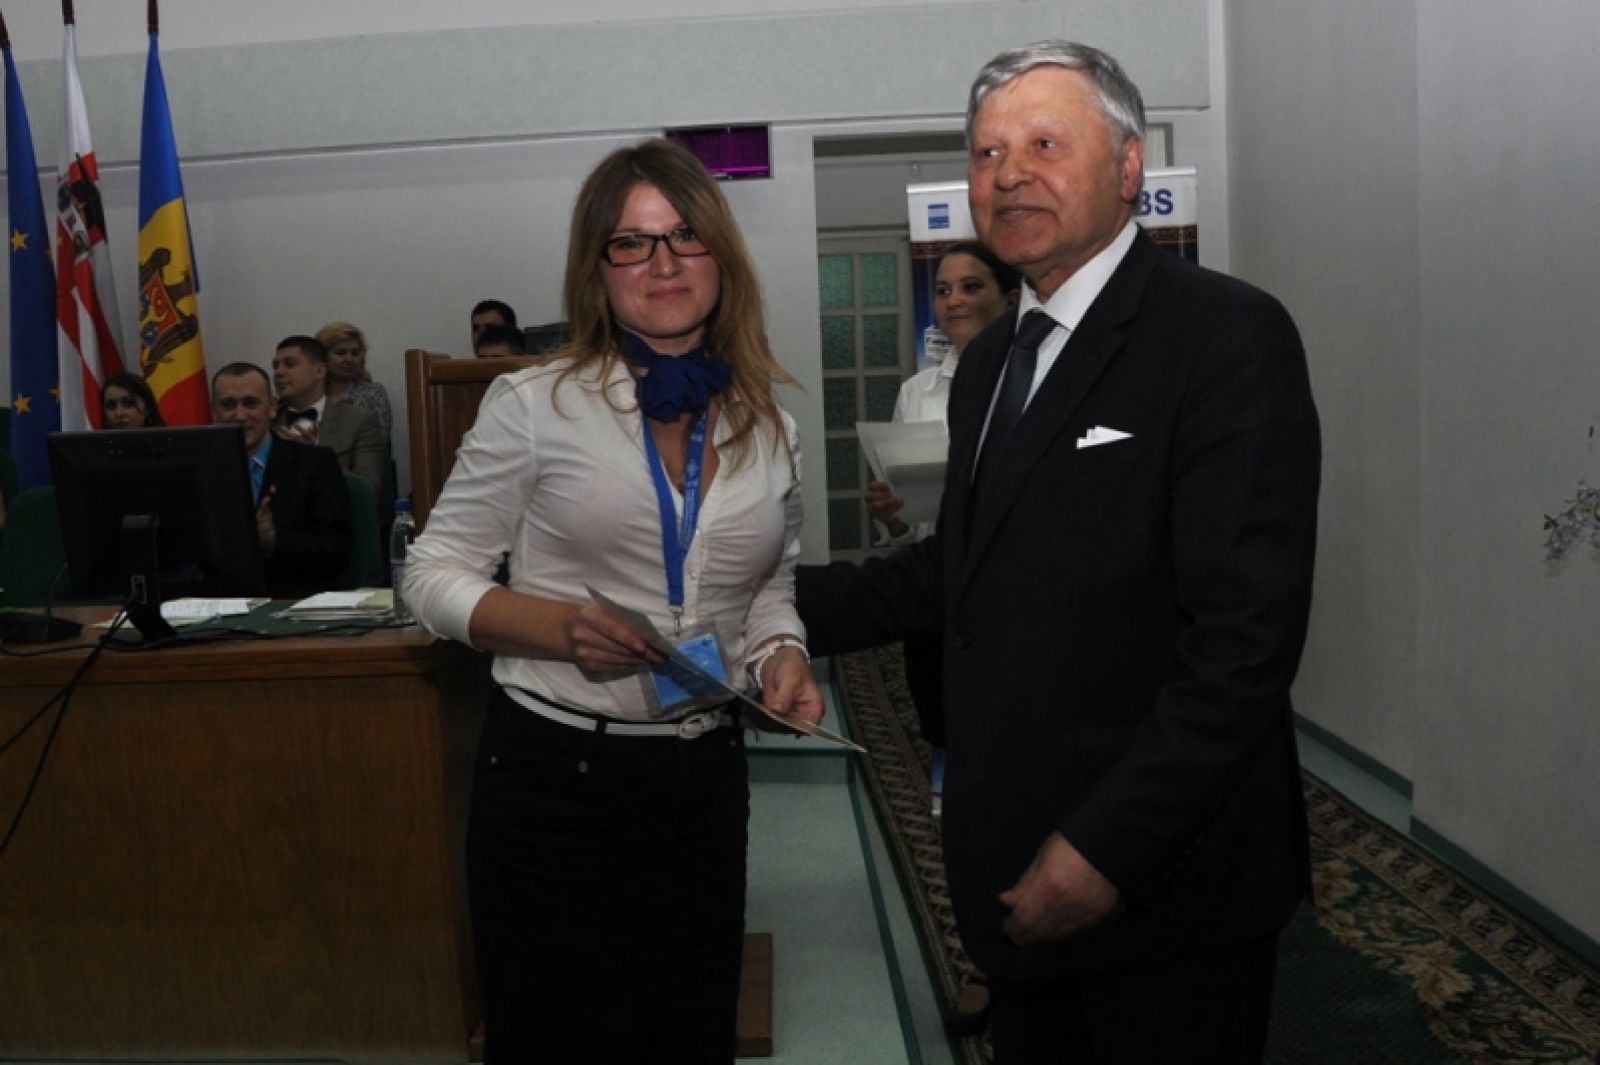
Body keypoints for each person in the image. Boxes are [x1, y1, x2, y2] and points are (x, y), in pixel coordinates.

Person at [798, 40, 1321, 1062]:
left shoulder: (1225, 336)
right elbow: (959, 564)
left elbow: (1243, 640)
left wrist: (1107, 847)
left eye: (1045, 143)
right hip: (1014, 863)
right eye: (988, 152)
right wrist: (764, 600)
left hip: (1164, 885)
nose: (1009, 174)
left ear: (1127, 166)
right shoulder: (991, 360)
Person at [405, 138, 822, 1064]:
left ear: (721, 254)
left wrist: (780, 654)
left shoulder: (771, 423)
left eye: (685, 235)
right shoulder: (532, 404)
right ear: (597, 269)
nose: (663, 262)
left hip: (704, 779)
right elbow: (429, 574)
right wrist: (555, 628)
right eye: (632, 243)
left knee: (690, 1033)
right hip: (555, 781)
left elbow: (769, 584)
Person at [211, 362, 351, 599]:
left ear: (272, 407)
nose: (240, 415)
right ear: (214, 412)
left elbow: (336, 552)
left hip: (293, 601)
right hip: (220, 604)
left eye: (251, 403)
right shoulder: (199, 470)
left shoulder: (315, 464)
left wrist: (275, 540)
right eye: (228, 405)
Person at [271, 335, 385, 492]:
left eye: (290, 364)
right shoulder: (268, 421)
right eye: (275, 366)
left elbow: (368, 490)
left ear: (319, 371)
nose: (278, 372)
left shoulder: (360, 420)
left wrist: (316, 458)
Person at [315, 321, 394, 442]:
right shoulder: (310, 394)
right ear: (322, 357)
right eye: (341, 353)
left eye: (355, 353)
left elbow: (378, 441)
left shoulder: (373, 395)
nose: (349, 359)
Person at [99, 372, 167, 429]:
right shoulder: (96, 442)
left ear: (148, 409)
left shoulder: (169, 441)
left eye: (128, 403)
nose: (119, 413)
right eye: (111, 406)